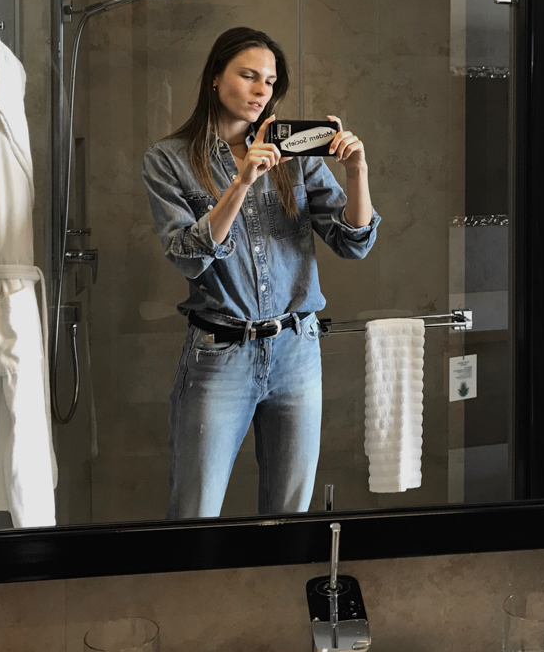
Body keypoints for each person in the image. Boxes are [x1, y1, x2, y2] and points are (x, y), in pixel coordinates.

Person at [142, 27, 379, 518]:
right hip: (219, 355)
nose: (260, 91)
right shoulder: (167, 160)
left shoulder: (292, 154)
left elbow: (352, 242)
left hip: (297, 351)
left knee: (289, 517)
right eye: (248, 76)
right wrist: (242, 181)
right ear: (214, 78)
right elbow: (187, 254)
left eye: (269, 82)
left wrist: (357, 172)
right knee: (194, 513)